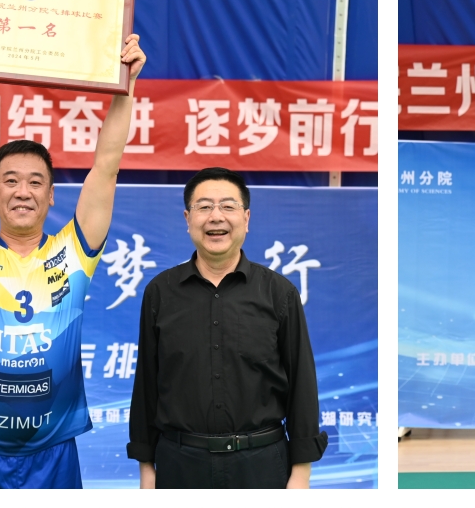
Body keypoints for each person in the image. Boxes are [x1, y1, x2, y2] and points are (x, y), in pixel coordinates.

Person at [0, 30, 146, 489]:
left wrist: (127, 81)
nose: (23, 191)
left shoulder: (74, 253)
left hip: (54, 451)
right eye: (10, 181)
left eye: (36, 182)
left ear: (51, 195)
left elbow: (107, 166)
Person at [125, 167, 328, 489]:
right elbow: (147, 385)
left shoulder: (279, 293)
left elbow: (302, 383)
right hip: (180, 464)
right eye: (204, 206)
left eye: (228, 206)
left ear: (246, 218)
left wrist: (301, 474)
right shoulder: (161, 292)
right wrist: (147, 469)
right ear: (188, 218)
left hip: (262, 464)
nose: (216, 217)